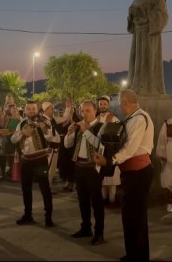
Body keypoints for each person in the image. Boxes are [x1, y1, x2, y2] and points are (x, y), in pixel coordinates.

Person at [93, 89, 154, 262]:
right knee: (131, 216)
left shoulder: (139, 119)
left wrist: (110, 160)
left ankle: (137, 256)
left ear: (125, 102)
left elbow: (130, 148)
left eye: (121, 103)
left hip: (138, 172)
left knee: (135, 216)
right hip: (131, 172)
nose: (120, 107)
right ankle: (135, 254)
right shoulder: (133, 118)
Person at [11, 100, 59, 228]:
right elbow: (13, 139)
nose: (31, 111)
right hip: (26, 160)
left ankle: (48, 216)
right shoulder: (21, 124)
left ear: (37, 110)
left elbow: (53, 138)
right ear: (25, 110)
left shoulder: (44, 122)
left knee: (45, 189)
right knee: (26, 189)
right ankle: (28, 215)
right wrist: (22, 133)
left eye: (33, 109)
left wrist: (44, 130)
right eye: (29, 109)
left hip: (40, 159)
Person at [64, 100, 105, 246]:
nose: (84, 114)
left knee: (96, 202)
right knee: (82, 201)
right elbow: (68, 145)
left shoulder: (101, 127)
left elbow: (100, 145)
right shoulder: (79, 126)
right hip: (79, 166)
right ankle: (86, 228)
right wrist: (69, 134)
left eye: (88, 111)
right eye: (82, 111)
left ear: (95, 111)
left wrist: (85, 131)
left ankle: (99, 232)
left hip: (93, 169)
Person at [126, 0, 169, 95]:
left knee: (147, 59)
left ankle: (148, 88)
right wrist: (131, 15)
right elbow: (133, 18)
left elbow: (162, 15)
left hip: (149, 33)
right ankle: (135, 85)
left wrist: (146, 19)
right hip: (138, 33)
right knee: (136, 60)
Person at [96, 95, 121, 208]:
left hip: (111, 151)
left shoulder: (114, 119)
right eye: (101, 104)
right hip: (99, 151)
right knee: (101, 179)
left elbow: (119, 134)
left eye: (104, 104)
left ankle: (112, 200)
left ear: (108, 105)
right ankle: (104, 199)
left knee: (112, 179)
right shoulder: (95, 119)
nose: (102, 106)